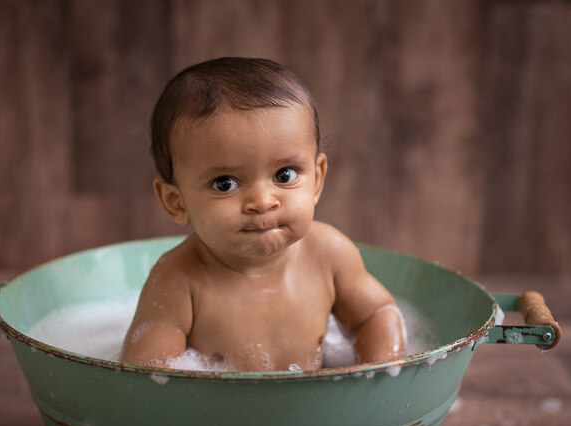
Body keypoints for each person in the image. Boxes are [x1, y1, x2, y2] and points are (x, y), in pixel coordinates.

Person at [120, 57, 405, 371]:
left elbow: (377, 316)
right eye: (224, 183)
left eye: (284, 175)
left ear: (317, 178)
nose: (262, 201)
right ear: (176, 202)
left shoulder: (329, 254)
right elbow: (146, 376)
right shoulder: (177, 281)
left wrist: (375, 374)